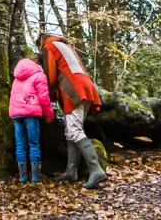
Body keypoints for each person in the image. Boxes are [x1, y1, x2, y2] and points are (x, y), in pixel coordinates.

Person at [38, 32, 108, 188]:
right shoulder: (66, 46)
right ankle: (71, 171)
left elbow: (50, 76)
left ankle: (96, 170)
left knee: (74, 131)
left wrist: (46, 95)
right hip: (85, 87)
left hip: (74, 90)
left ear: (41, 42)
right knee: (71, 132)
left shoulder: (48, 47)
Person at [7, 55, 54, 182]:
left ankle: (22, 177)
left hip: (16, 113)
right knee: (33, 144)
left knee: (20, 145)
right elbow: (44, 98)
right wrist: (49, 114)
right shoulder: (39, 75)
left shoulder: (17, 77)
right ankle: (34, 178)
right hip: (31, 113)